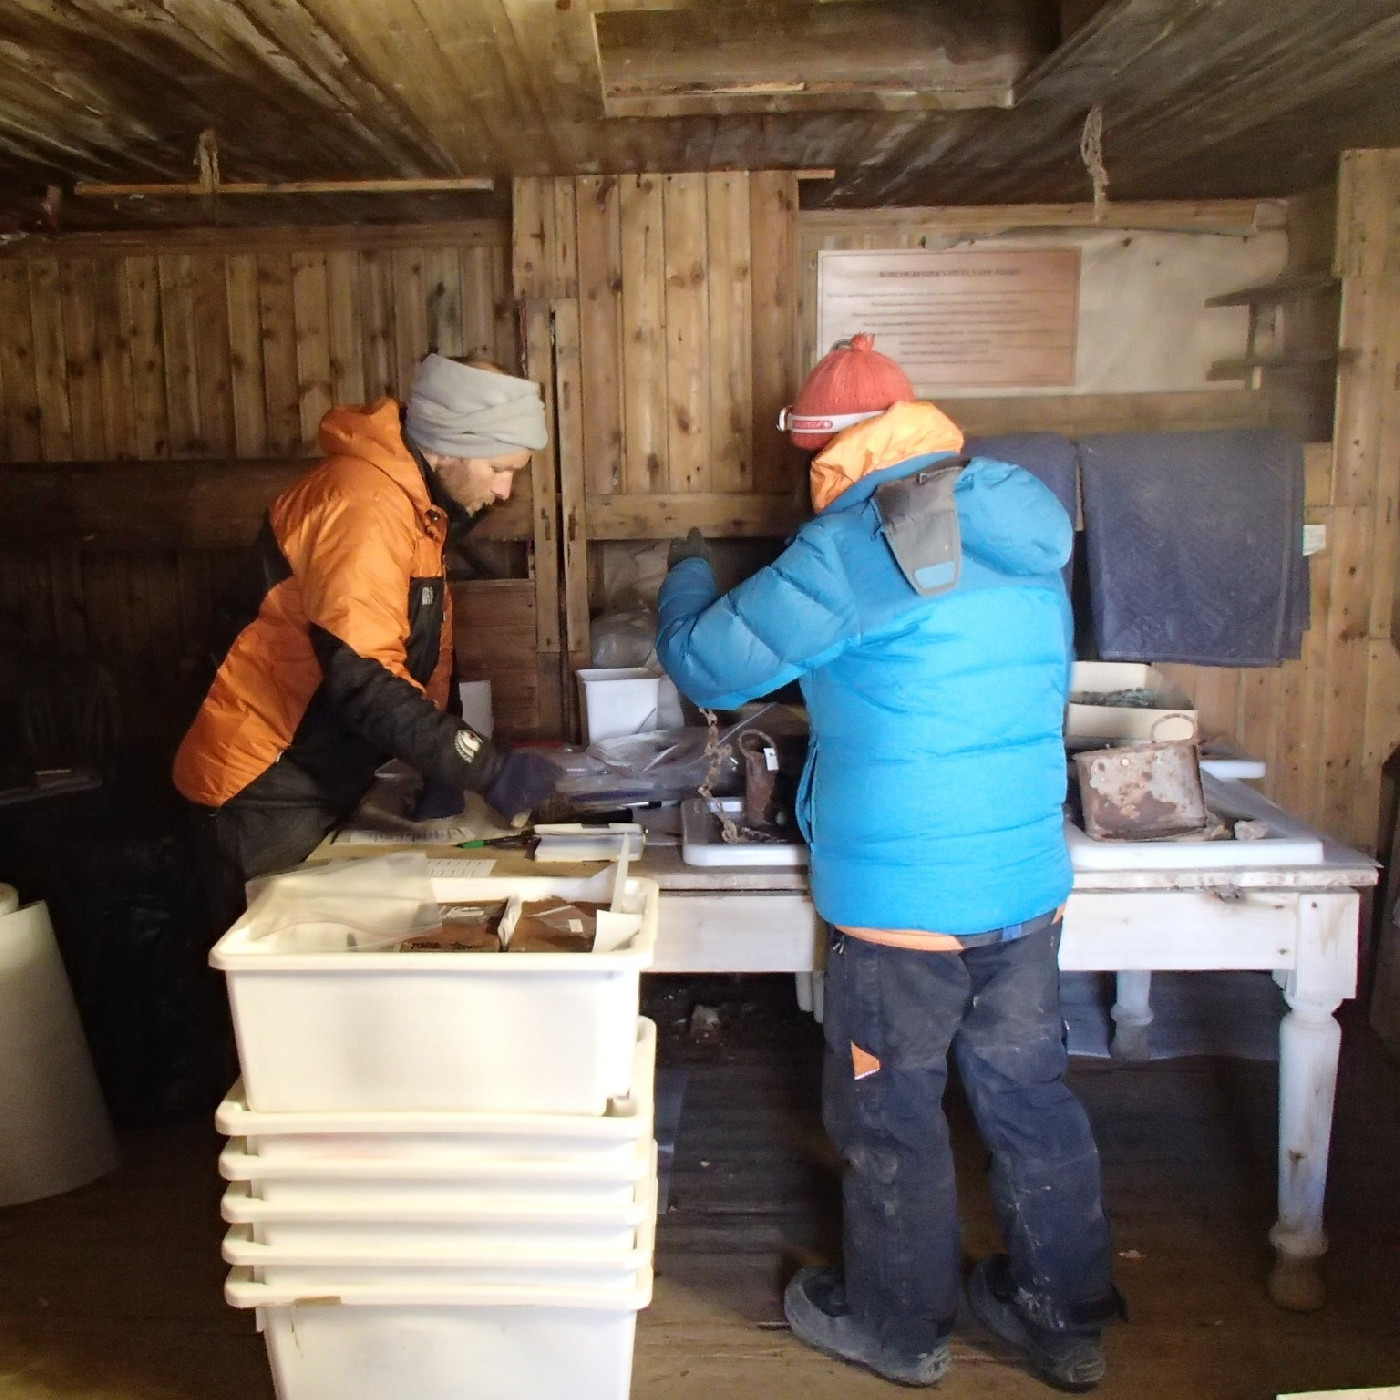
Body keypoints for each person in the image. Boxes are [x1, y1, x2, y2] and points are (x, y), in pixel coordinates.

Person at [656, 334, 1123, 1391]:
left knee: (891, 1114)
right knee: (1030, 1097)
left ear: (826, 452)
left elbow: (709, 665)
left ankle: (897, 1326)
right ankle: (1062, 1316)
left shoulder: (850, 545)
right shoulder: (1014, 515)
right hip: (1022, 889)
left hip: (901, 904)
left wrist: (685, 573)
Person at [173, 353, 560, 886]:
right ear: (447, 446)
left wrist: (436, 762)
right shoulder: (363, 505)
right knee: (279, 959)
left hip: (313, 771)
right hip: (262, 783)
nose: (504, 492)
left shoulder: (416, 507)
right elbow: (365, 676)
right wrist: (482, 767)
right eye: (499, 469)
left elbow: (417, 651)